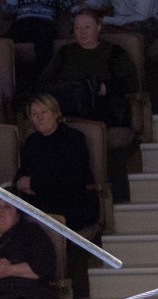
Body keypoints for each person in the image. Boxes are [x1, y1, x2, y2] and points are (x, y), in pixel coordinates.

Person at [39, 8, 139, 201]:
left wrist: (103, 88)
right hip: (68, 113)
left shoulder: (114, 53)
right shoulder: (65, 53)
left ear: (98, 27)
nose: (82, 32)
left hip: (104, 112)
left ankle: (115, 198)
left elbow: (131, 83)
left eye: (87, 27)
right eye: (77, 28)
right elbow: (44, 83)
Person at [16, 92, 99, 235]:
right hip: (39, 200)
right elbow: (23, 174)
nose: (39, 117)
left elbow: (72, 179)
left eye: (44, 112)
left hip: (72, 202)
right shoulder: (32, 142)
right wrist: (20, 183)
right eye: (34, 114)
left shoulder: (74, 138)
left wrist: (34, 184)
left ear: (55, 113)